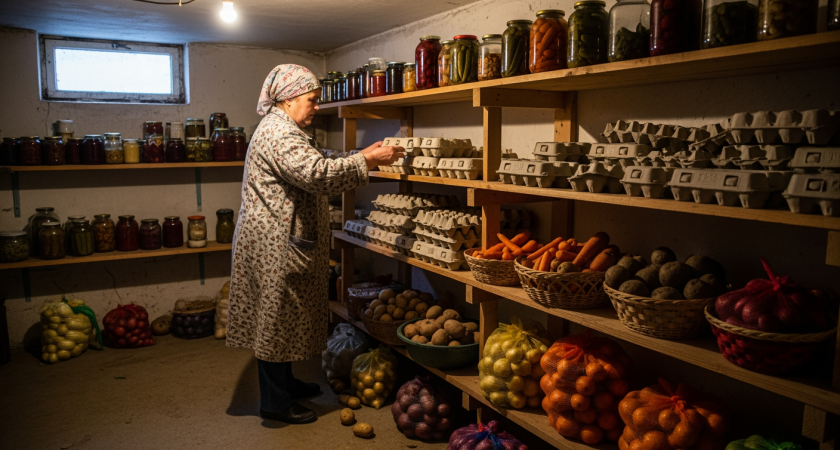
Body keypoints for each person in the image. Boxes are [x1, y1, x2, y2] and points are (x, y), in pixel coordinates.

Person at [226, 64, 404, 424]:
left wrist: (359, 154)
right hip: (274, 243)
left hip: (275, 239)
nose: (317, 106)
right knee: (276, 318)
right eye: (312, 99)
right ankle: (274, 403)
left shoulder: (283, 127)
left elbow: (315, 162)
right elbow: (318, 175)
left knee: (284, 316)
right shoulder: (280, 133)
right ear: (289, 99)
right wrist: (366, 160)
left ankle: (285, 384)